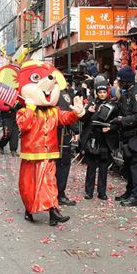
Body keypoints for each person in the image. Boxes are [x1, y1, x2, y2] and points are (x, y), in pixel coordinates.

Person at [15, 61, 85, 226]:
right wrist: (31, 107)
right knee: (30, 184)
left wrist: (76, 113)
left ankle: (53, 212)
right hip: (32, 154)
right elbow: (24, 126)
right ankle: (30, 209)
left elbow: (64, 118)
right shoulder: (23, 111)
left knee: (50, 182)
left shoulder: (54, 110)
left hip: (49, 153)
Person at [111, 66, 137, 207]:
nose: (119, 83)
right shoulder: (127, 93)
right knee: (128, 167)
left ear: (127, 81)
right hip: (127, 136)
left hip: (136, 136)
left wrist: (122, 120)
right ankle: (129, 192)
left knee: (136, 168)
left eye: (120, 81)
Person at [79, 76, 117, 200]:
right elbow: (82, 120)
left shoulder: (112, 104)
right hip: (93, 139)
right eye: (100, 92)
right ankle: (89, 191)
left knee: (103, 168)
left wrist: (110, 128)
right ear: (96, 92)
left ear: (107, 92)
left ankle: (102, 192)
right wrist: (89, 112)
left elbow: (116, 121)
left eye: (104, 92)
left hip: (105, 140)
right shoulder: (91, 103)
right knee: (91, 167)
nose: (102, 94)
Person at [55, 79, 80, 207]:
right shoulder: (62, 94)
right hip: (60, 135)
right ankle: (59, 194)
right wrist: (75, 130)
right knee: (63, 165)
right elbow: (68, 115)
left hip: (47, 135)